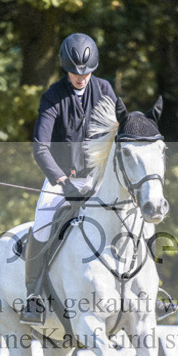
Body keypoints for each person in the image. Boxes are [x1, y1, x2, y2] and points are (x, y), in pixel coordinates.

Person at [21, 33, 128, 325]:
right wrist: (59, 178)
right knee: (43, 223)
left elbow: (123, 132)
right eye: (75, 72)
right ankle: (33, 296)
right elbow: (40, 146)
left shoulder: (105, 90)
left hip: (99, 179)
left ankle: (145, 290)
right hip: (61, 178)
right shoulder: (53, 96)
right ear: (65, 68)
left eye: (86, 72)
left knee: (131, 217)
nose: (81, 78)